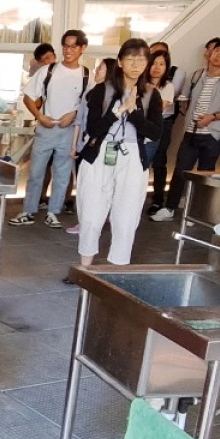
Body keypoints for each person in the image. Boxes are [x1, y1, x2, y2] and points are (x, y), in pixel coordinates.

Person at [73, 39, 166, 268]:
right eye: (130, 59)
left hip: (133, 156)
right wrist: (117, 112)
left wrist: (133, 113)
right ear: (120, 62)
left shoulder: (151, 94)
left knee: (127, 214)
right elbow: (93, 128)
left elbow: (155, 133)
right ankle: (85, 267)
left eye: (141, 60)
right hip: (100, 153)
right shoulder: (101, 90)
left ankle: (118, 267)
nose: (135, 65)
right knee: (91, 212)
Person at [14, 30, 95, 228]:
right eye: (65, 46)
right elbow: (28, 97)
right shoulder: (48, 71)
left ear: (82, 48)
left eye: (73, 46)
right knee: (36, 172)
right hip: (46, 127)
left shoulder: (87, 75)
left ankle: (53, 212)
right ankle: (28, 210)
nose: (68, 50)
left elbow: (90, 105)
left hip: (69, 131)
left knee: (62, 174)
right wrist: (39, 116)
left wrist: (73, 114)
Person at [163, 37, 220, 218]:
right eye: (217, 51)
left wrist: (212, 117)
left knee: (205, 175)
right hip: (191, 132)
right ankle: (170, 208)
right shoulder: (196, 75)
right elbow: (184, 100)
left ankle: (196, 213)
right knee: (181, 171)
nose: (218, 56)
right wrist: (190, 115)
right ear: (210, 52)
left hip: (214, 135)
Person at [144, 48, 182, 218]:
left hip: (161, 125)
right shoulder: (140, 82)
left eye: (161, 64)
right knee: (141, 163)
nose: (157, 67)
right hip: (140, 127)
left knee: (159, 161)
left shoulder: (167, 86)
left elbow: (159, 108)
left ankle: (158, 199)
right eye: (153, 63)